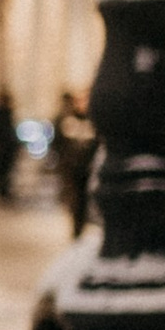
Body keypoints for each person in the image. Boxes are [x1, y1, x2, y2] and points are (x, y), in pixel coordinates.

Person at [50, 86, 98, 234]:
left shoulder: (94, 120)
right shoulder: (66, 119)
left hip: (88, 167)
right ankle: (76, 228)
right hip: (71, 168)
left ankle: (81, 226)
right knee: (75, 199)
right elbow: (57, 143)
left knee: (84, 199)